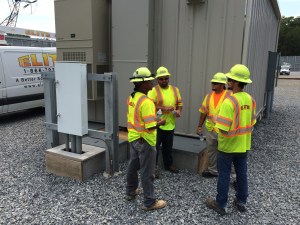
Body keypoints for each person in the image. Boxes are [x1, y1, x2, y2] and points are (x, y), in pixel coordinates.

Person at [206, 64, 256, 215]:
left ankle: (221, 204)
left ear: (234, 81)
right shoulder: (250, 99)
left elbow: (223, 128)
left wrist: (215, 120)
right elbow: (251, 123)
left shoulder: (230, 101)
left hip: (227, 147)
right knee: (241, 174)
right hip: (243, 146)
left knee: (224, 175)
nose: (227, 80)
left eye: (230, 78)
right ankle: (241, 201)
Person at [125, 67, 167, 211]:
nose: (152, 83)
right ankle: (149, 202)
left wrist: (152, 119)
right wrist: (161, 122)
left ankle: (130, 191)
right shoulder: (147, 102)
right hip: (145, 141)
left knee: (132, 165)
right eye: (149, 80)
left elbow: (139, 119)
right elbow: (150, 127)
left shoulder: (132, 97)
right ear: (142, 84)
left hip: (134, 138)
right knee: (147, 172)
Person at [148, 66, 183, 176]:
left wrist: (178, 111)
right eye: (161, 79)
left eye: (166, 78)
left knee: (168, 148)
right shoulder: (153, 91)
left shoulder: (175, 90)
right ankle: (153, 168)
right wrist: (163, 108)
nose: (164, 81)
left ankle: (168, 165)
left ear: (168, 78)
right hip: (158, 124)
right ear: (157, 79)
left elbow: (180, 104)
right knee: (155, 148)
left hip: (170, 124)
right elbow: (149, 105)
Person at [197, 73, 232, 178]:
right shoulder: (208, 97)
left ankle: (232, 175)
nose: (213, 85)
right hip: (211, 129)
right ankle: (213, 171)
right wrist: (199, 126)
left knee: (227, 153)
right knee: (211, 151)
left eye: (216, 83)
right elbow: (203, 112)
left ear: (222, 84)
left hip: (224, 130)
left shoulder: (229, 96)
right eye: (213, 82)